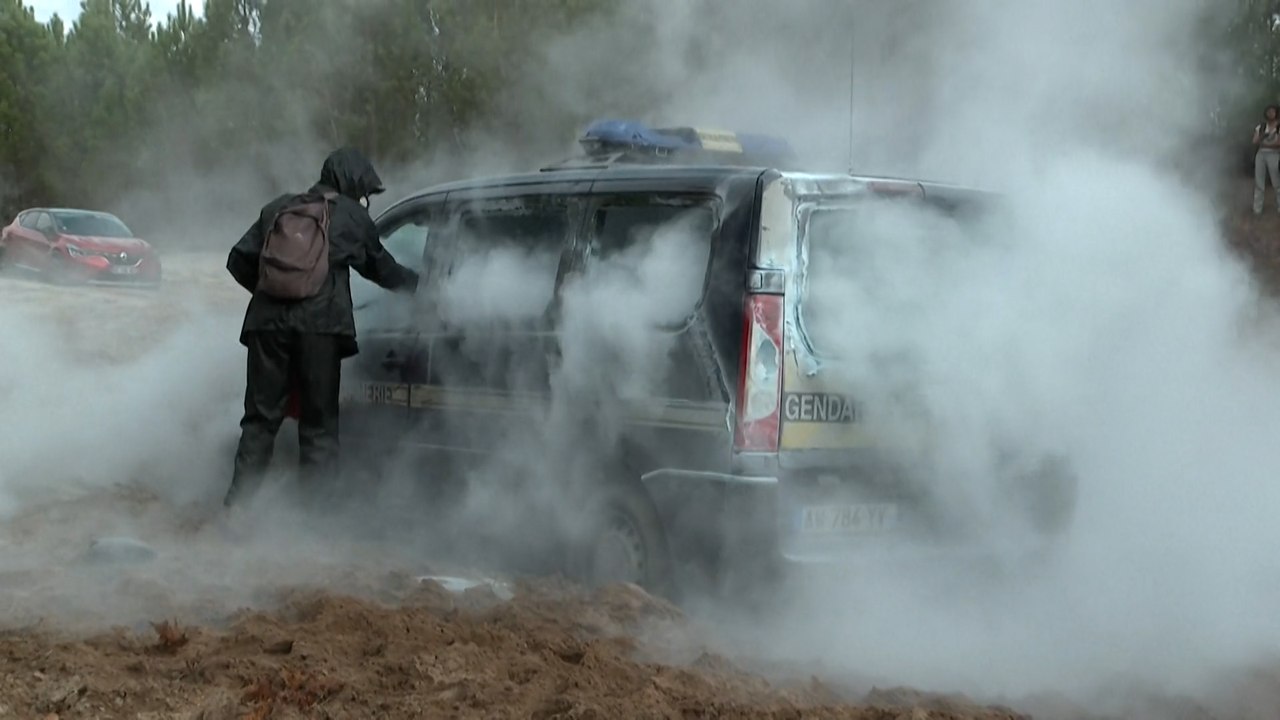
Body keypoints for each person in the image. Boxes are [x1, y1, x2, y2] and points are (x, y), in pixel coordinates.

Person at [222, 147, 420, 508]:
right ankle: (315, 519)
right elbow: (385, 271)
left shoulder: (278, 207)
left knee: (260, 422)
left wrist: (278, 292)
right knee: (318, 426)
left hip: (266, 326)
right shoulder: (352, 217)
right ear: (352, 183)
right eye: (363, 192)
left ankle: (237, 513)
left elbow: (237, 261)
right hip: (320, 329)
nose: (363, 199)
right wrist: (427, 288)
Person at [1253, 105, 1280, 214]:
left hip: (1274, 155)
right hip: (1260, 156)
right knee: (1259, 183)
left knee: (1277, 182)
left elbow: (1279, 144)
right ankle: (1257, 209)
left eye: (1273, 111)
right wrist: (1262, 137)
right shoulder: (1261, 127)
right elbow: (1254, 141)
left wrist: (1264, 144)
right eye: (1268, 112)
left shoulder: (1279, 126)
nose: (1270, 113)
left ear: (1276, 113)